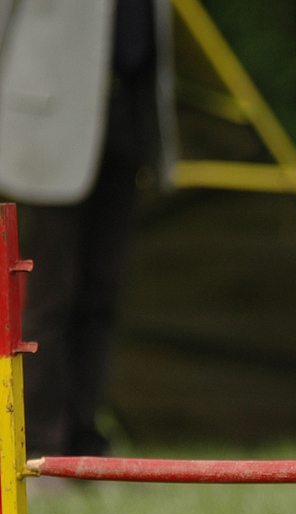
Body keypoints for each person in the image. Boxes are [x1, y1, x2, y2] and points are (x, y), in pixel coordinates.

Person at [0, 0, 177, 460]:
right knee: (47, 296)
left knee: (101, 297)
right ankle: (37, 448)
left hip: (124, 122)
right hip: (44, 130)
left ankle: (85, 444)